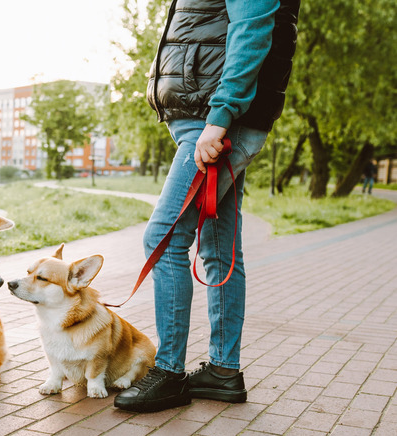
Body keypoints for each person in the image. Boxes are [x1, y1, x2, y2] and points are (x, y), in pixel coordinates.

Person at [114, 0, 300, 412]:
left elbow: (251, 29)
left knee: (163, 237)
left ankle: (169, 373)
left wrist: (220, 117)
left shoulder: (218, 118)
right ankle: (223, 371)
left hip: (213, 120)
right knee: (220, 249)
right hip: (207, 116)